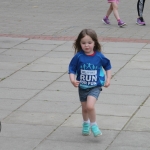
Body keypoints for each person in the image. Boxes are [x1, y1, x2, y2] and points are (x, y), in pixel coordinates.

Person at [68, 29, 111, 137]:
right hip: (82, 87)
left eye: (89, 43)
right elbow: (71, 69)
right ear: (79, 44)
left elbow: (108, 66)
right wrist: (72, 80)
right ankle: (85, 124)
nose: (86, 45)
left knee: (90, 106)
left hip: (95, 86)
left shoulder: (99, 56)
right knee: (84, 108)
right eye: (83, 43)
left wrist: (108, 79)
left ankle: (94, 125)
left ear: (95, 43)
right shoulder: (78, 56)